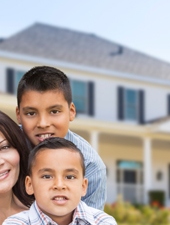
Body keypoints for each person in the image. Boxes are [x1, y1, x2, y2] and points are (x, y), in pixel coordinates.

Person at [1, 138, 128, 225]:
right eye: (47, 176)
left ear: (83, 186)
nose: (59, 185)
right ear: (29, 185)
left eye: (70, 176)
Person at [15, 65, 107, 210]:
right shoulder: (4, 147)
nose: (43, 124)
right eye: (31, 113)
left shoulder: (91, 167)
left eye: (54, 111)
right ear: (19, 115)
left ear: (71, 112)